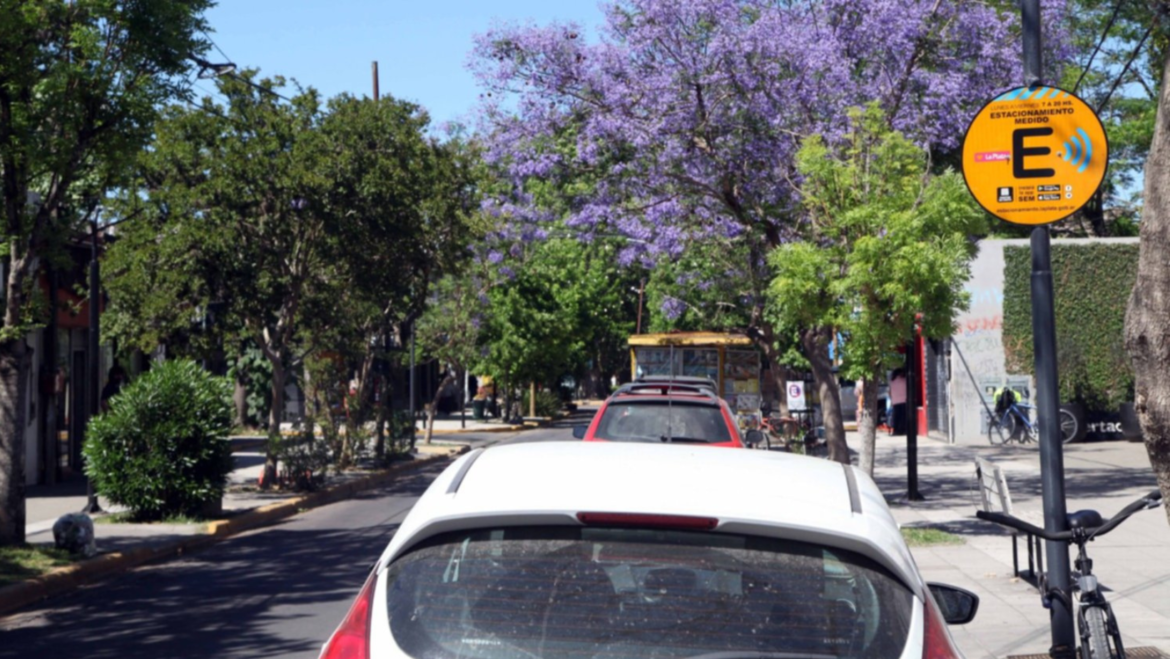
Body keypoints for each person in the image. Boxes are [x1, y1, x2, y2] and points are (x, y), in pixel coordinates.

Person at [888, 368, 907, 435]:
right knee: (903, 417)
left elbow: (889, 392)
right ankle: (903, 430)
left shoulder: (892, 381)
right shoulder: (904, 380)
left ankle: (896, 431)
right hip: (904, 400)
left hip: (895, 401)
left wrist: (892, 398)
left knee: (896, 417)